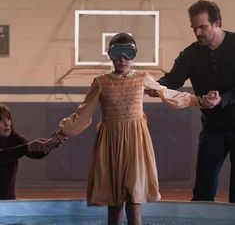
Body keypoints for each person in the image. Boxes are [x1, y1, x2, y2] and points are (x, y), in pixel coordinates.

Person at [44, 33, 199, 225]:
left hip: (136, 143)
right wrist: (58, 136)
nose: (123, 59)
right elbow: (82, 114)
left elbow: (167, 93)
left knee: (134, 202)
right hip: (110, 144)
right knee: (114, 203)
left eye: (128, 53)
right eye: (118, 53)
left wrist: (197, 100)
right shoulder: (101, 82)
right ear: (110, 55)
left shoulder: (142, 78)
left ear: (134, 55)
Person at [147, 0, 235, 203]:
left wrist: (223, 98)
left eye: (202, 27)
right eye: (194, 28)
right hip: (212, 129)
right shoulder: (190, 54)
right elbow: (172, 80)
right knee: (203, 191)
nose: (197, 33)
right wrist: (156, 87)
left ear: (217, 23)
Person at [0, 103, 51, 200]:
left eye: (8, 119)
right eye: (1, 120)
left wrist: (50, 145)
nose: (7, 123)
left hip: (8, 199)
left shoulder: (14, 137)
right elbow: (2, 155)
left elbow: (34, 153)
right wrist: (27, 147)